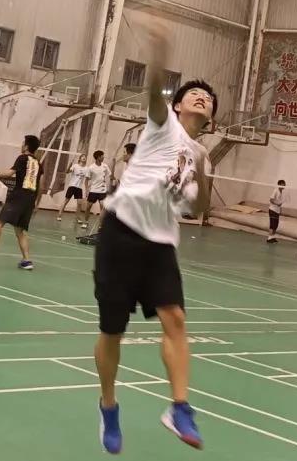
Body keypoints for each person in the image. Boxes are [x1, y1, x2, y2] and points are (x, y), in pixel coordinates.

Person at [93, 26, 213, 454]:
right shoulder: (164, 126)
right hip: (121, 232)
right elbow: (154, 95)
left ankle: (179, 407)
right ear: (178, 104)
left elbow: (199, 208)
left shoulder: (199, 155)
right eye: (193, 94)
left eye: (208, 98)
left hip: (160, 243)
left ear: (211, 116)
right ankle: (109, 405)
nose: (201, 97)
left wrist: (204, 169)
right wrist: (159, 54)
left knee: (175, 318)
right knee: (113, 331)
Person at [0, 135, 43, 271]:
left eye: (23, 143)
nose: (21, 145)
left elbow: (10, 173)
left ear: (26, 146)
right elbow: (41, 186)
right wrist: (37, 203)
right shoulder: (39, 164)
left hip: (18, 196)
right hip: (30, 199)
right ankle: (27, 261)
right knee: (20, 231)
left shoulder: (22, 158)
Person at [82, 150, 112, 229]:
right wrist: (86, 190)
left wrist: (115, 179)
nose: (103, 157)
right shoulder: (91, 167)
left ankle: (101, 224)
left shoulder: (105, 166)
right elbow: (86, 180)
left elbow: (110, 175)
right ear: (98, 157)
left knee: (103, 207)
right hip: (93, 190)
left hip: (102, 190)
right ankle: (86, 222)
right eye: (102, 156)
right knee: (88, 207)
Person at [57, 154, 88, 222]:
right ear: (80, 159)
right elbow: (67, 171)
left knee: (79, 203)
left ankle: (77, 218)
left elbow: (86, 179)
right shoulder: (75, 166)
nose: (84, 158)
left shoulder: (86, 168)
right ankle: (59, 215)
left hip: (79, 187)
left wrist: (87, 190)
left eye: (85, 157)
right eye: (83, 157)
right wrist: (70, 163)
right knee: (66, 201)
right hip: (72, 186)